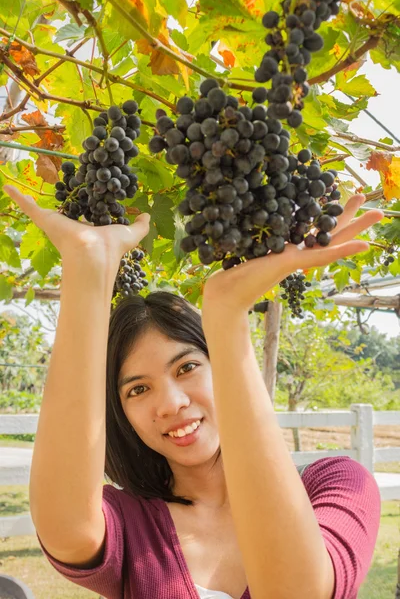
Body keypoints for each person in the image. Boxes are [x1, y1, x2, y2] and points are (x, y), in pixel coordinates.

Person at [4, 184, 383, 599]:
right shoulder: (130, 522)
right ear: (121, 415)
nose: (170, 403)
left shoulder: (338, 485)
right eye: (137, 390)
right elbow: (65, 524)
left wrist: (226, 316)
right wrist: (88, 267)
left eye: (186, 367)